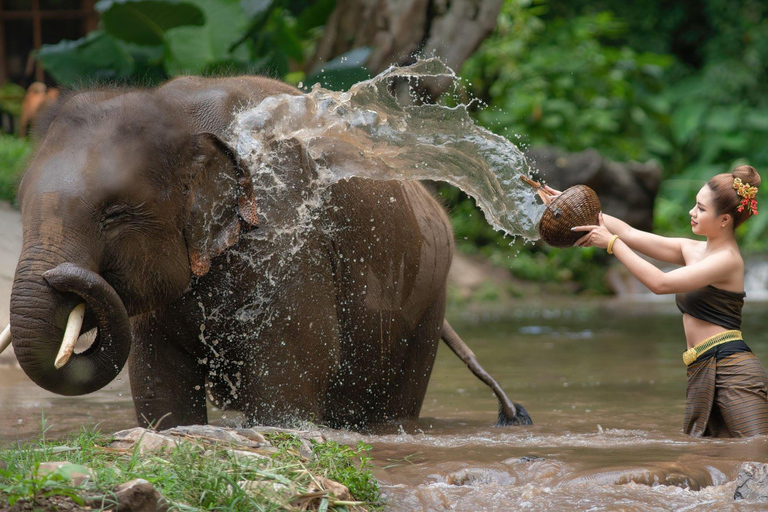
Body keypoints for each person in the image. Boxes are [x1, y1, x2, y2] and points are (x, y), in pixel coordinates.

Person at [566, 165, 766, 438]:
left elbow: (660, 284)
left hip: (733, 371)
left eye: (701, 208)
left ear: (724, 220)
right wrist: (567, 206)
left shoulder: (727, 260)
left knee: (756, 452)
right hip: (703, 366)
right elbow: (629, 232)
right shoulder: (692, 249)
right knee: (710, 456)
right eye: (695, 205)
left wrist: (612, 244)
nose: (691, 212)